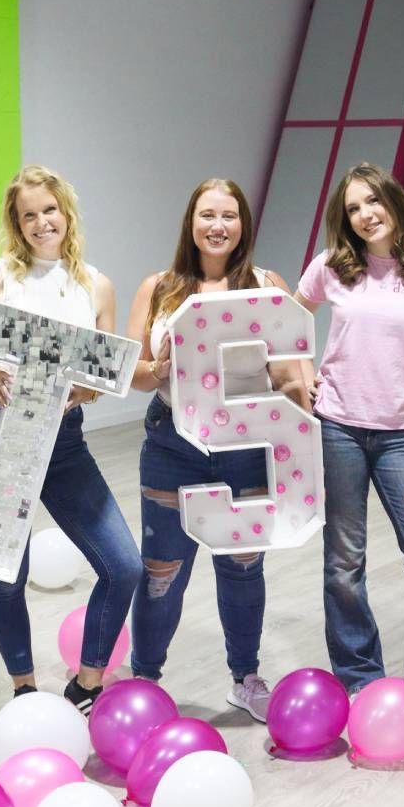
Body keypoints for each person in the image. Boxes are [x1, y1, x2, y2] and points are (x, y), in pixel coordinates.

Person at [295, 162, 404, 724]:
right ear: (343, 219)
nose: (366, 214)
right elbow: (290, 318)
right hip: (338, 430)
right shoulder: (331, 268)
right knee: (344, 563)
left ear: (394, 202)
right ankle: (358, 678)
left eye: (374, 201)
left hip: (402, 440)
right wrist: (301, 369)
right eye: (353, 207)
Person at [0, 164, 142, 715]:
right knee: (6, 574)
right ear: (16, 225)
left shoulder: (96, 285)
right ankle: (23, 689)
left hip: (64, 440)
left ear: (66, 213)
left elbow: (107, 377)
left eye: (50, 210)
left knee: (124, 565)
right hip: (3, 435)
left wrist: (87, 392)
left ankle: (87, 682)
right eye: (28, 215)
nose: (42, 222)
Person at [127, 178, 302, 723]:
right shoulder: (160, 287)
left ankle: (245, 678)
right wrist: (159, 367)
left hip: (244, 444)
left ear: (243, 225)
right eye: (207, 215)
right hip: (172, 443)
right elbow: (131, 371)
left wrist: (295, 393)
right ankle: (144, 682)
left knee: (243, 566)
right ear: (191, 223)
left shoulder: (266, 283)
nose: (217, 226)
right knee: (162, 570)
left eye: (229, 215)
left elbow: (290, 366)